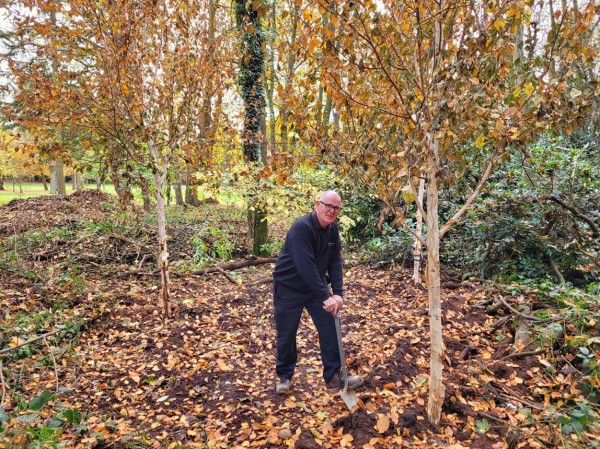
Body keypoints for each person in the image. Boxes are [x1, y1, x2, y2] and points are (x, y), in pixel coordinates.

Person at [272, 190, 363, 395]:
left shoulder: (332, 230)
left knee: (330, 326)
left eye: (336, 208)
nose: (331, 211)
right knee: (287, 334)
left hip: (315, 289)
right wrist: (326, 296)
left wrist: (337, 294)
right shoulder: (301, 228)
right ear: (317, 204)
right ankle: (284, 376)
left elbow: (335, 261)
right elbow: (306, 266)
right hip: (289, 288)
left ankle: (333, 378)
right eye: (327, 205)